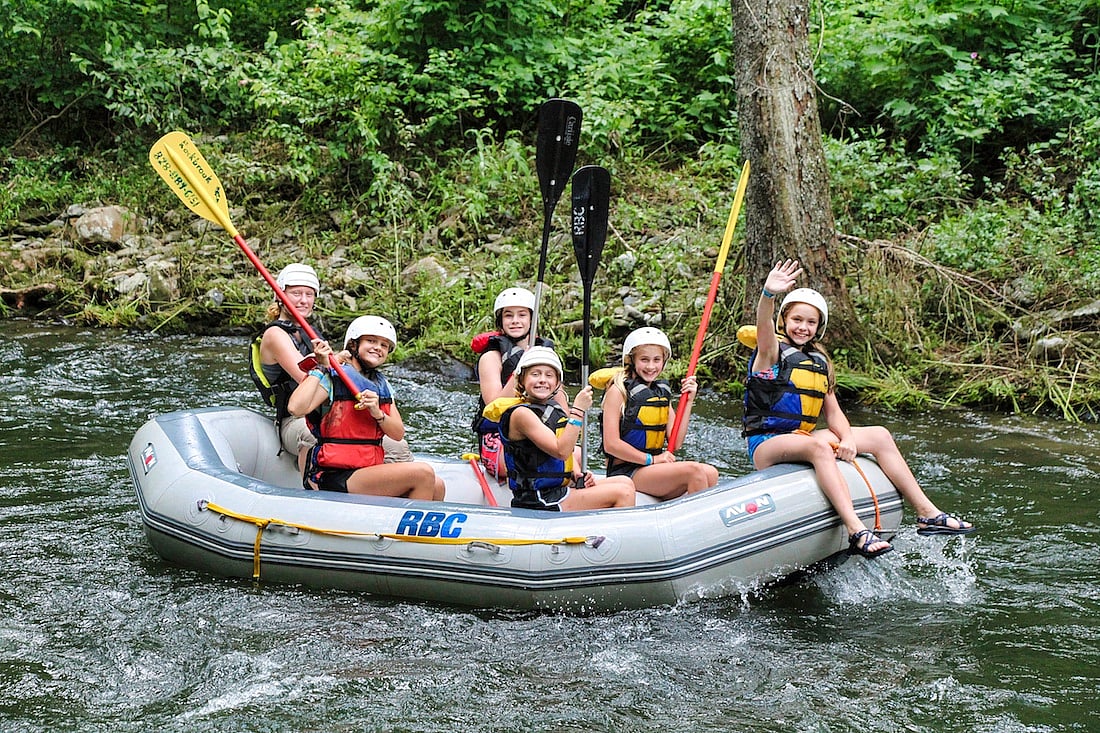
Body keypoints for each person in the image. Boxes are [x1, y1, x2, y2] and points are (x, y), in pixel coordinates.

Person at [743, 258, 975, 558]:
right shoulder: (770, 352)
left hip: (802, 437)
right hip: (767, 444)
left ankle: (927, 513)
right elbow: (763, 323)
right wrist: (768, 294)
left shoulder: (819, 362)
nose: (803, 327)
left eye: (811, 322)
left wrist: (849, 439)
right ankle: (856, 529)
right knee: (819, 448)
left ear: (819, 327)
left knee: (879, 436)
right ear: (784, 320)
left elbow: (834, 413)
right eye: (797, 320)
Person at [249, 263, 413, 485]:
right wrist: (335, 361)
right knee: (312, 435)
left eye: (309, 294)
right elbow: (304, 376)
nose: (303, 300)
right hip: (297, 418)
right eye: (296, 293)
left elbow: (331, 371)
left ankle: (390, 495)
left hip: (332, 413)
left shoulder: (311, 332)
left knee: (398, 446)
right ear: (280, 295)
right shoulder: (275, 334)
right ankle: (313, 490)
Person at [287, 315, 444, 500]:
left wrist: (378, 413)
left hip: (367, 469)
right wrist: (322, 367)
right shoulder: (333, 376)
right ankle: (406, 529)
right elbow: (295, 408)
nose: (378, 347)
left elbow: (397, 433)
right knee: (422, 473)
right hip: (333, 475)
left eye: (384, 345)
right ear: (353, 345)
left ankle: (405, 526)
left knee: (437, 485)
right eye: (371, 341)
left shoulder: (381, 384)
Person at [484, 346, 635, 511]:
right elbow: (561, 451)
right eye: (535, 374)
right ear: (521, 380)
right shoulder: (521, 414)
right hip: (538, 499)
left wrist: (576, 474)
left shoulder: (552, 408)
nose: (542, 380)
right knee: (623, 492)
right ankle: (612, 536)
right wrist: (577, 411)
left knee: (625, 481)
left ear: (557, 383)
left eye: (549, 375)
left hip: (555, 491)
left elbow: (567, 453)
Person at [600, 327, 719, 499]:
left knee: (711, 473)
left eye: (657, 360)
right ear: (631, 360)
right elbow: (611, 444)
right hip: (626, 472)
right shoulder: (618, 391)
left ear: (664, 361)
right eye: (644, 359)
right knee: (695, 471)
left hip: (653, 468)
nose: (651, 366)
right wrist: (652, 460)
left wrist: (689, 401)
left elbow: (675, 442)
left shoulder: (659, 392)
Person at [471, 286, 557, 480]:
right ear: (501, 321)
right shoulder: (491, 357)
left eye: (522, 315)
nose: (515, 321)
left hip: (539, 435)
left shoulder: (545, 354)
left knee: (573, 455)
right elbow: (494, 408)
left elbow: (561, 407)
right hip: (499, 440)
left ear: (531, 320)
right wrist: (521, 368)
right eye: (509, 316)